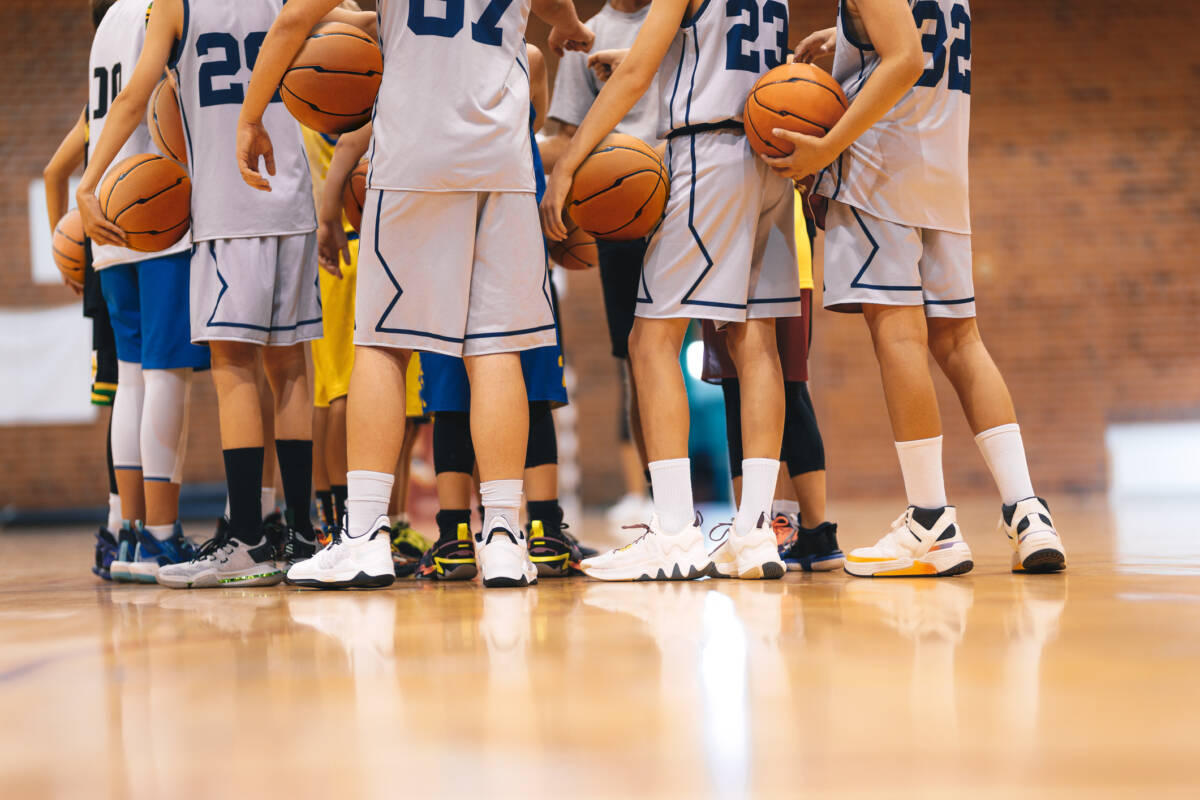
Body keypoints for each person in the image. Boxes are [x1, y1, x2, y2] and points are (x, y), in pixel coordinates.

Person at [237, 0, 594, 589]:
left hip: (414, 153)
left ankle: (366, 533)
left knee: (382, 343)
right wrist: (570, 25)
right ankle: (504, 536)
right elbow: (552, 6)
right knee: (497, 346)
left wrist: (251, 117)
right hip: (501, 156)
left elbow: (295, 18)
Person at [76, 0, 365, 588]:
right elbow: (354, 21)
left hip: (227, 207)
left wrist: (89, 181)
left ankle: (249, 539)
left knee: (233, 365)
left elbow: (134, 97)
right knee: (290, 369)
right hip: (291, 202)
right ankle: (302, 533)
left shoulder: (175, 6)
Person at [770, 0, 1065, 575]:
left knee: (899, 338)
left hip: (883, 173)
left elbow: (904, 58)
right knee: (961, 341)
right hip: (944, 173)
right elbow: (914, 38)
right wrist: (849, 38)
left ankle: (930, 519)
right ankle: (1027, 511)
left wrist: (827, 149)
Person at [542, 0, 802, 581]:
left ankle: (675, 532)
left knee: (649, 341)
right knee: (754, 340)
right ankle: (756, 530)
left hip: (706, 154)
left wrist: (568, 163)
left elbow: (637, 78)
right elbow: (712, 55)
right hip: (767, 156)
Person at [415, 44, 582, 581]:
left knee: (453, 391)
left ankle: (454, 536)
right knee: (527, 383)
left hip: (443, 219)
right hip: (506, 226)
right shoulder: (526, 56)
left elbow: (542, 143)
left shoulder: (421, 56)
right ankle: (542, 530)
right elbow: (541, 141)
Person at [70, 0, 211, 584]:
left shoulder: (106, 21)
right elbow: (139, 99)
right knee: (165, 375)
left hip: (109, 215)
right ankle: (160, 535)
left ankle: (129, 534)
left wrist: (90, 184)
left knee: (131, 376)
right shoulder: (160, 9)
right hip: (153, 205)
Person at [541, 0, 657, 530]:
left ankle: (748, 500)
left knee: (728, 353)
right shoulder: (584, 37)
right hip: (621, 212)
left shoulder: (680, 17)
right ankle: (651, 492)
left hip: (689, 197)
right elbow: (564, 136)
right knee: (633, 355)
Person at [702, 181, 842, 572]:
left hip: (734, 238)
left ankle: (758, 528)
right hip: (786, 243)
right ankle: (811, 532)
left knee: (742, 389)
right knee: (791, 389)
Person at [43, 67, 123, 579]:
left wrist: (62, 249)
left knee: (124, 398)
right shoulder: (139, 90)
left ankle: (118, 527)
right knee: (146, 389)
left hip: (101, 263)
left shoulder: (95, 103)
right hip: (137, 252)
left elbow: (55, 172)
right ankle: (134, 526)